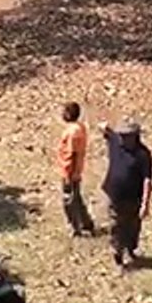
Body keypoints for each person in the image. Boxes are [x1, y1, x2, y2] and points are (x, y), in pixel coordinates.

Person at [100, 119, 152, 273]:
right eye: (121, 135)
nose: (123, 138)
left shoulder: (143, 154)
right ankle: (118, 256)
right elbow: (106, 131)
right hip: (114, 195)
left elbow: (147, 180)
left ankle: (130, 249)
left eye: (127, 136)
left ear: (135, 136)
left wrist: (145, 203)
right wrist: (104, 127)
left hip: (133, 198)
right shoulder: (116, 142)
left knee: (132, 226)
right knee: (116, 225)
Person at [57, 101, 96, 237]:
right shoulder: (80, 127)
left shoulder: (73, 132)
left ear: (68, 114)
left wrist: (70, 172)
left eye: (63, 111)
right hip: (74, 170)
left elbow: (72, 153)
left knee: (68, 200)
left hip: (69, 171)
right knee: (77, 198)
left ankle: (74, 228)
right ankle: (86, 224)